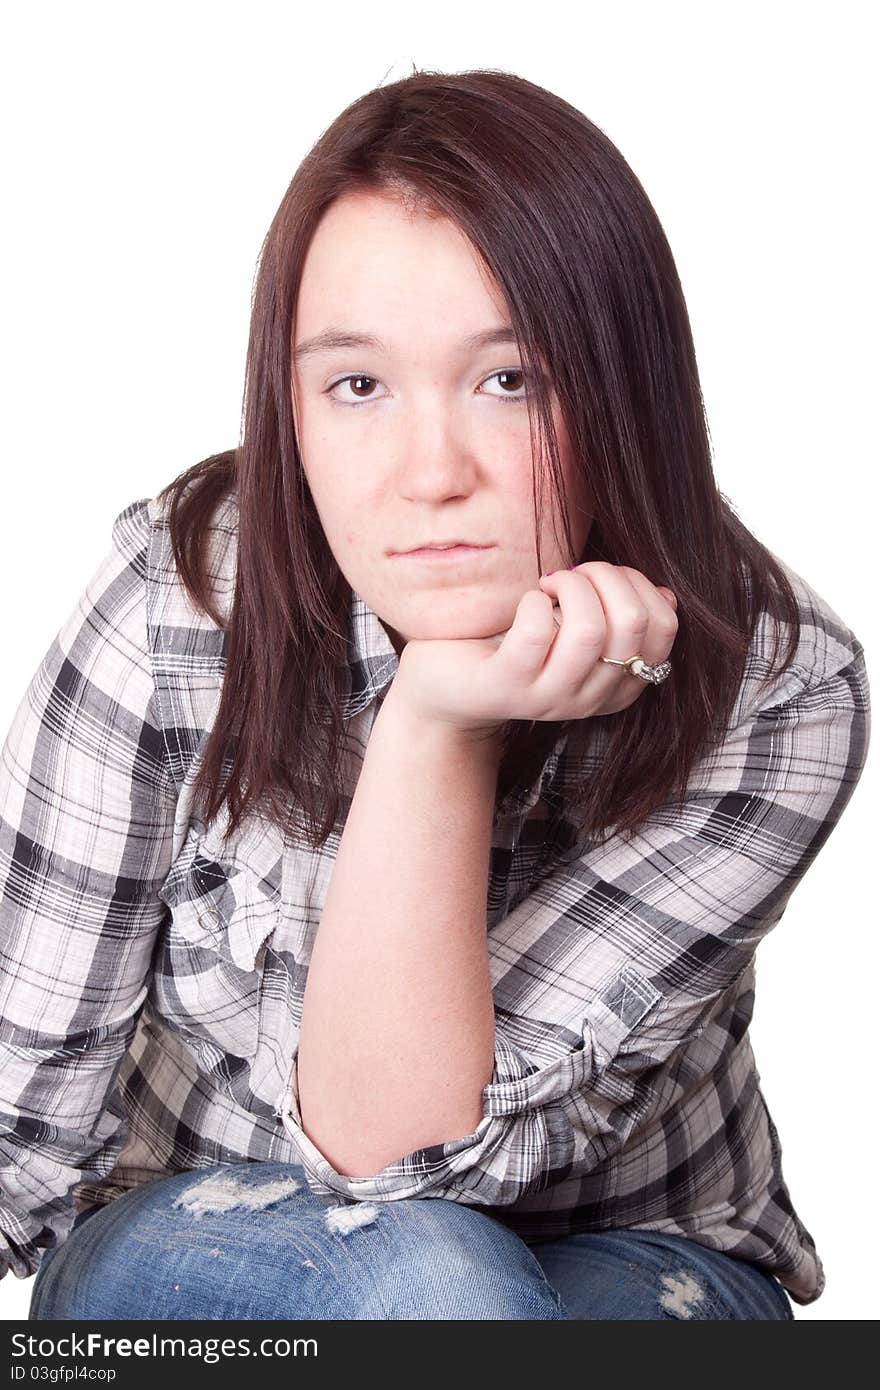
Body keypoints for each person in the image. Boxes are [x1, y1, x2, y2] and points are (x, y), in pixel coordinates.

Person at [1, 67, 869, 1321]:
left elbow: (396, 1145)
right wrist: (442, 711)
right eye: (357, 386)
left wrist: (430, 725)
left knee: (454, 1287)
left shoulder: (771, 684)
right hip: (206, 1221)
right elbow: (20, 1115)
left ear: (626, 385)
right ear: (290, 406)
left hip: (625, 1242)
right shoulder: (181, 598)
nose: (430, 474)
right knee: (433, 1280)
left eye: (509, 380)